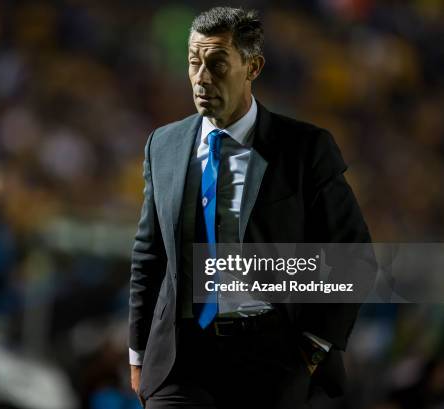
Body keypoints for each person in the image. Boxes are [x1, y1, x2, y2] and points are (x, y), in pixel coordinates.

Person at [128, 6, 375, 409]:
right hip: (179, 361)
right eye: (194, 63)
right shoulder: (163, 145)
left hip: (270, 360)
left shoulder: (304, 149)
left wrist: (314, 345)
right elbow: (149, 255)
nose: (202, 77)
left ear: (253, 66)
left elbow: (355, 256)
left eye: (217, 63)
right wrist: (138, 351)